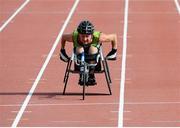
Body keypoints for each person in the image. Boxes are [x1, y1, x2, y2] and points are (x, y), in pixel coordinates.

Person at [60, 20, 117, 85]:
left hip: (95, 61)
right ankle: (81, 75)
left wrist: (113, 51)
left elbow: (114, 37)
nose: (84, 39)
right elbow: (63, 37)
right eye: (82, 36)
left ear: (92, 35)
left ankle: (91, 75)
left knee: (93, 49)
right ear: (79, 34)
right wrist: (63, 51)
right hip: (79, 60)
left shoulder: (99, 37)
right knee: (79, 49)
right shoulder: (74, 36)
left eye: (87, 36)